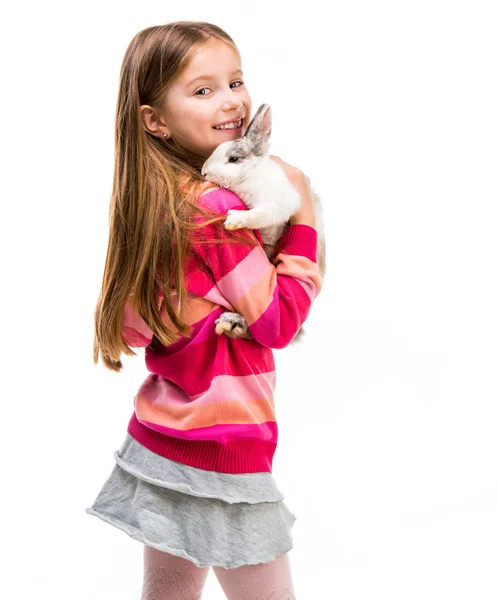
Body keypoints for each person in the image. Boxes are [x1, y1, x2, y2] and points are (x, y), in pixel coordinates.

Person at [85, 21, 322, 600]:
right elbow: (278, 322)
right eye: (202, 90)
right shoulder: (215, 211)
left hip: (164, 437)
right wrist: (306, 215)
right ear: (155, 121)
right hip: (222, 449)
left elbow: (133, 329)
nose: (231, 100)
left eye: (235, 81)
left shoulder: (163, 203)